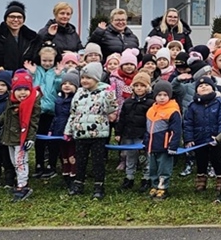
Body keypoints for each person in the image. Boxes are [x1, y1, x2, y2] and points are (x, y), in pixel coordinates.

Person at [64, 61, 117, 199]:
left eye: (89, 78)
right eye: (83, 78)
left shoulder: (105, 92)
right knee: (80, 160)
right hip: (81, 133)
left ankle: (99, 186)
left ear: (96, 79)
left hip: (98, 133)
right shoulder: (79, 93)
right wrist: (68, 130)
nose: (85, 81)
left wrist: (111, 98)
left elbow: (112, 109)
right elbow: (73, 112)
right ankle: (78, 183)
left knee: (97, 161)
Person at [0, 70, 41, 202]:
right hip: (10, 136)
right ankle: (19, 182)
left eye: (25, 89)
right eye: (19, 89)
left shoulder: (33, 103)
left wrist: (30, 138)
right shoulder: (11, 100)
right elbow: (7, 114)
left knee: (20, 162)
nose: (22, 92)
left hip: (22, 138)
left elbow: (33, 122)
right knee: (13, 161)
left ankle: (23, 185)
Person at [24, 47, 62, 179]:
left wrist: (58, 76)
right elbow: (31, 86)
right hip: (37, 109)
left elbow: (59, 88)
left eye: (50, 60)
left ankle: (51, 164)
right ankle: (39, 164)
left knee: (51, 139)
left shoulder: (56, 71)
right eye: (44, 60)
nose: (47, 63)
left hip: (52, 110)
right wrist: (33, 74)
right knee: (39, 138)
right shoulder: (36, 71)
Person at [184, 76, 221, 193]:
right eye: (200, 86)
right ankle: (201, 179)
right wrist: (189, 138)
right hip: (199, 138)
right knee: (200, 159)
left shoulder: (219, 103)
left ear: (213, 88)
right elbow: (188, 123)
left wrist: (220, 136)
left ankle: (220, 179)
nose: (203, 87)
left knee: (217, 159)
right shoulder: (192, 105)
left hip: (215, 139)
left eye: (207, 85)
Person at [115, 72, 154, 191]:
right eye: (136, 86)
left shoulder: (150, 103)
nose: (139, 88)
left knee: (146, 157)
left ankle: (146, 178)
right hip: (129, 133)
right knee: (130, 156)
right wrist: (118, 132)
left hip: (143, 134)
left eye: (142, 86)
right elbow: (122, 118)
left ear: (147, 87)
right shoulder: (128, 102)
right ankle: (129, 177)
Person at [143, 79, 181, 200]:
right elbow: (148, 128)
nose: (162, 98)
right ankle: (154, 185)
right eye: (159, 95)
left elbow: (176, 131)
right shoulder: (151, 110)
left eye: (165, 95)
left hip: (165, 147)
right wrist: (146, 142)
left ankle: (163, 187)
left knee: (164, 169)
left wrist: (173, 146)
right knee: (152, 168)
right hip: (152, 146)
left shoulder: (173, 111)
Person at [0, 1, 41, 71]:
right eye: (12, 17)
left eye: (19, 17)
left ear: (23, 20)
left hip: (25, 78)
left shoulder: (32, 39)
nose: (15, 20)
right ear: (6, 19)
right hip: (4, 78)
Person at [51, 71, 79, 187]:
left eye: (70, 84)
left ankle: (74, 176)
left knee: (72, 154)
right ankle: (65, 174)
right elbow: (56, 115)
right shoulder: (58, 99)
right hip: (59, 130)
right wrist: (51, 128)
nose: (67, 86)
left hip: (71, 131)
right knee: (63, 154)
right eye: (64, 83)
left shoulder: (76, 100)